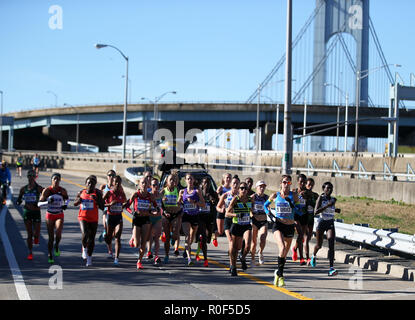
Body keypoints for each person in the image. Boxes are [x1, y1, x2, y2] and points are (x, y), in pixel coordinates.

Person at [264, 175, 299, 288]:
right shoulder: (275, 195)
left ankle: (277, 274)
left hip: (289, 226)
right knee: (282, 248)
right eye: (284, 182)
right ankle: (281, 276)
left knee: (284, 255)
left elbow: (299, 210)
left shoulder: (294, 195)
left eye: (288, 183)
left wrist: (292, 203)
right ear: (281, 183)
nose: (286, 184)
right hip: (278, 224)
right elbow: (265, 205)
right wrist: (269, 213)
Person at [125, 177, 160, 269]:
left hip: (146, 220)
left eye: (146, 183)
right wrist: (133, 212)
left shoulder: (150, 196)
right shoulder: (136, 194)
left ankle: (139, 261)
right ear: (139, 184)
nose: (144, 185)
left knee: (144, 242)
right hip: (137, 219)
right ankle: (133, 238)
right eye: (142, 183)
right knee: (137, 244)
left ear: (148, 185)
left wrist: (154, 212)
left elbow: (156, 207)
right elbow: (127, 206)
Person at [310, 181, 341, 276]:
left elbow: (331, 207)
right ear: (324, 189)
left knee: (331, 242)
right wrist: (327, 205)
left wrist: (335, 210)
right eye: (327, 188)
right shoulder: (320, 198)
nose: (329, 190)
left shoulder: (333, 199)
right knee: (319, 245)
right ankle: (314, 255)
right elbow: (315, 211)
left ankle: (331, 268)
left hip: (330, 222)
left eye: (331, 188)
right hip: (322, 222)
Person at [74, 175, 104, 267]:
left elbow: (102, 207)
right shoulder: (81, 192)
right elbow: (75, 203)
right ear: (85, 184)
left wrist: (97, 200)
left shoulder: (97, 193)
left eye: (92, 183)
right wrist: (79, 200)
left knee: (91, 239)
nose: (90, 184)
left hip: (93, 219)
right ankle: (84, 248)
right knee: (85, 233)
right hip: (83, 217)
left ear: (95, 185)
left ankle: (89, 258)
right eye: (88, 183)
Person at [39, 173, 69, 264]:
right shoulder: (47, 190)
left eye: (58, 179)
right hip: (50, 215)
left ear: (60, 180)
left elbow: (67, 199)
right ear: (51, 180)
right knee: (51, 237)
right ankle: (50, 254)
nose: (56, 181)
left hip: (59, 214)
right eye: (54, 179)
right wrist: (47, 202)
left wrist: (65, 205)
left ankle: (56, 246)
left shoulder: (62, 190)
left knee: (59, 233)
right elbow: (39, 204)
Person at [178, 173, 205, 266]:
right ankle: (189, 258)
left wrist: (195, 202)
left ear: (193, 180)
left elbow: (203, 204)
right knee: (187, 236)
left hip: (195, 216)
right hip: (186, 215)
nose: (189, 180)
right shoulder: (182, 191)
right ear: (185, 180)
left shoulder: (197, 191)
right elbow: (179, 204)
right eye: (188, 179)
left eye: (191, 179)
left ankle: (187, 249)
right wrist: (179, 200)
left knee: (192, 237)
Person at [226, 181, 253, 276]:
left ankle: (243, 257)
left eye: (245, 188)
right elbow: (227, 213)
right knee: (234, 248)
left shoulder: (250, 199)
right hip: (236, 225)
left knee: (248, 245)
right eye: (242, 188)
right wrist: (236, 215)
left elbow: (251, 211)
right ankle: (233, 267)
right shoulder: (235, 199)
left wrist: (253, 215)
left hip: (246, 225)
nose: (244, 190)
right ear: (238, 189)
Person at [16, 170, 43, 260]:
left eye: (32, 176)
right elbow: (19, 199)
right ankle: (30, 252)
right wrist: (18, 201)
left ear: (35, 177)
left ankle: (36, 238)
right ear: (27, 177)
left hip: (36, 212)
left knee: (36, 233)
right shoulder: (23, 189)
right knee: (29, 234)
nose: (31, 177)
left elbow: (46, 195)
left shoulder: (39, 188)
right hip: (27, 212)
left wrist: (41, 201)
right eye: (29, 176)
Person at [216, 175, 240, 271]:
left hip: (237, 220)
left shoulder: (240, 196)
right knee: (230, 241)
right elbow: (217, 207)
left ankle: (233, 258)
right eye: (233, 183)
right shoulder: (226, 195)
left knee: (236, 247)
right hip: (228, 219)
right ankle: (232, 265)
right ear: (231, 184)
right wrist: (221, 210)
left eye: (237, 183)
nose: (235, 185)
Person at [103, 175, 127, 266]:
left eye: (119, 182)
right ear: (112, 183)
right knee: (108, 238)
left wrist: (123, 205)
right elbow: (101, 204)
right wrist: (109, 204)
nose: (117, 184)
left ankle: (116, 258)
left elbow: (125, 203)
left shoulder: (122, 193)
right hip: (110, 217)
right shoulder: (109, 193)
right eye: (115, 182)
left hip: (118, 217)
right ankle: (106, 236)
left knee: (117, 237)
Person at [195, 177, 218, 267]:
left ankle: (202, 243)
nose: (206, 185)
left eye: (208, 183)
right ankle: (205, 259)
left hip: (210, 218)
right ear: (202, 184)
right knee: (204, 237)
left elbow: (217, 202)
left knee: (208, 238)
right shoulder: (198, 193)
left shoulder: (213, 193)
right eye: (204, 183)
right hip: (200, 217)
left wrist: (214, 200)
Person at [161, 174, 182, 264]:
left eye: (174, 180)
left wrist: (180, 201)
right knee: (167, 237)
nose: (172, 182)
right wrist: (162, 200)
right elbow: (158, 202)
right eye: (171, 180)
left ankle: (173, 238)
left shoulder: (178, 190)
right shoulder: (163, 191)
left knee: (176, 234)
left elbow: (182, 200)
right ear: (167, 182)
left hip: (176, 214)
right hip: (166, 215)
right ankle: (166, 255)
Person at [250, 180, 269, 266]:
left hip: (263, 221)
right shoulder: (253, 197)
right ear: (256, 188)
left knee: (263, 238)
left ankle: (260, 252)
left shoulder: (266, 197)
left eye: (263, 187)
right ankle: (253, 258)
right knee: (253, 242)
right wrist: (252, 215)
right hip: (254, 221)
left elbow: (268, 207)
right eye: (260, 186)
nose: (262, 188)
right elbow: (249, 208)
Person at [291, 174, 309, 266]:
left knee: (301, 237)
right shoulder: (294, 191)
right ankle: (301, 258)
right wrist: (297, 196)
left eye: (304, 182)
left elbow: (311, 203)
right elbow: (290, 202)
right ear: (298, 181)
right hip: (296, 215)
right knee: (300, 234)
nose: (302, 183)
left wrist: (307, 197)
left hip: (304, 215)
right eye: (301, 182)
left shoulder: (308, 192)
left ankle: (295, 248)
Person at [146, 178, 163, 266]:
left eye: (157, 185)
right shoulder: (148, 195)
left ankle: (156, 256)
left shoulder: (160, 195)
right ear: (150, 186)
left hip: (158, 218)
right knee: (149, 237)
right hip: (149, 218)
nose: (156, 187)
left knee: (156, 237)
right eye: (154, 185)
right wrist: (152, 212)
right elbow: (146, 208)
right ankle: (149, 251)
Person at [99, 170, 116, 245]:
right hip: (106, 209)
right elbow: (99, 197)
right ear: (107, 176)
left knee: (113, 233)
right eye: (109, 175)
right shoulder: (103, 186)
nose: (111, 177)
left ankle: (110, 247)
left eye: (113, 175)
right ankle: (105, 232)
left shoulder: (116, 187)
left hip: (115, 210)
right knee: (106, 226)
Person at [304, 178, 319, 265]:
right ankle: (307, 258)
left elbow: (320, 203)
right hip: (303, 218)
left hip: (311, 219)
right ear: (306, 185)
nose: (310, 187)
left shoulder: (315, 195)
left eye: (312, 185)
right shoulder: (302, 194)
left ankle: (295, 248)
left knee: (308, 238)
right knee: (305, 239)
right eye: (309, 185)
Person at [215, 172, 232, 244]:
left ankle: (231, 244)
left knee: (230, 230)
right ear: (224, 179)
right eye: (227, 177)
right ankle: (214, 236)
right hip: (221, 210)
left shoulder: (232, 188)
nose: (228, 179)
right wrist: (218, 194)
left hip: (229, 211)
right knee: (220, 231)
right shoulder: (221, 188)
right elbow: (217, 198)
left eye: (229, 177)